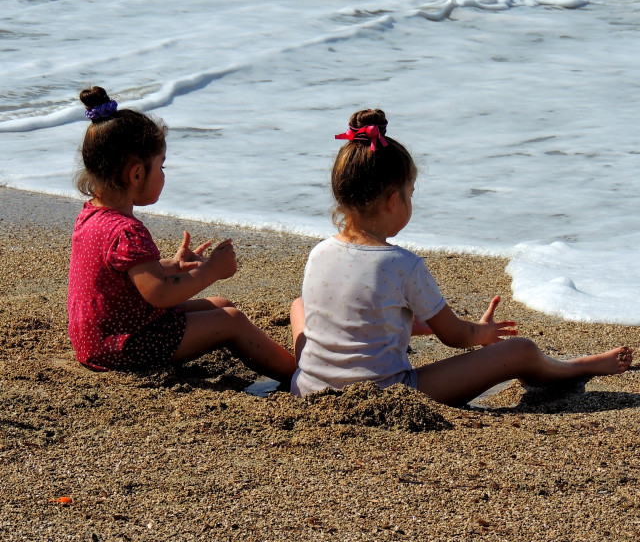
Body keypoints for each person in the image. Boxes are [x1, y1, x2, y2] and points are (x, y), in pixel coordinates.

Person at [289, 108, 633, 405]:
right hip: (384, 393)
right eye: (410, 194)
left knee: (299, 306)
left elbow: (365, 307)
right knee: (521, 351)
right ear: (393, 201)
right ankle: (576, 367)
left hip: (307, 389)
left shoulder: (319, 252)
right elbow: (455, 336)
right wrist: (480, 334)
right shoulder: (403, 264)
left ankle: (315, 373)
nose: (411, 201)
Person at [68, 86, 296, 381]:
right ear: (136, 174)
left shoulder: (91, 215)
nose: (164, 175)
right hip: (124, 345)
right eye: (161, 167)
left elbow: (118, 275)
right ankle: (295, 373)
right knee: (231, 320)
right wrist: (212, 270)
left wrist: (169, 266)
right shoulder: (127, 230)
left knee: (221, 304)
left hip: (99, 337)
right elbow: (159, 294)